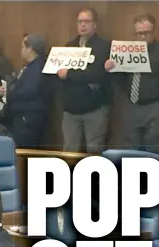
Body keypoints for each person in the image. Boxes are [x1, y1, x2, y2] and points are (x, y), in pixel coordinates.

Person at [106, 13, 159, 154]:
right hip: (131, 105)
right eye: (139, 33)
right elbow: (121, 80)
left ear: (153, 32)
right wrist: (112, 69)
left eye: (146, 33)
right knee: (129, 148)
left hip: (155, 107)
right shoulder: (127, 52)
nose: (142, 37)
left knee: (154, 149)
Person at [58, 8, 111, 153]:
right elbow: (59, 73)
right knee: (69, 150)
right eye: (80, 21)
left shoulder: (104, 47)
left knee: (94, 151)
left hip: (95, 108)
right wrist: (73, 75)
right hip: (71, 108)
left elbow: (97, 74)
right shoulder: (68, 47)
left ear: (95, 24)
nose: (83, 25)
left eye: (86, 21)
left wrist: (70, 74)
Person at [2, 34, 51, 148]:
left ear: (30, 49)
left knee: (26, 150)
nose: (21, 50)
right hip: (25, 116)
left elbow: (28, 90)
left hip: (28, 117)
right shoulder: (31, 67)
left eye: (23, 47)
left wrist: (9, 93)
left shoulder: (38, 68)